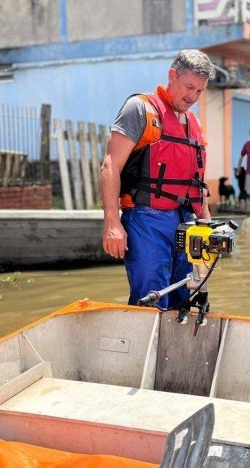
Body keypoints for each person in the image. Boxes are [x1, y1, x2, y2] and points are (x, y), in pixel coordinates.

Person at [100, 50, 214, 309]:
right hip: (146, 221)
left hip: (186, 223)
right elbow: (110, 166)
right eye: (189, 87)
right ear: (172, 76)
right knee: (151, 298)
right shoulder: (140, 109)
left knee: (187, 298)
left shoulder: (193, 122)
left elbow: (198, 180)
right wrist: (112, 222)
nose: (193, 97)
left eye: (200, 91)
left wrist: (207, 223)